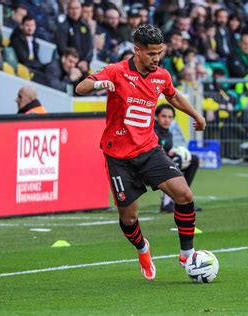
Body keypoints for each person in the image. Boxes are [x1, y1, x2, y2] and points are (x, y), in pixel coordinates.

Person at [75, 25, 206, 281]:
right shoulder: (116, 71)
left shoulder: (161, 75)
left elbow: (173, 96)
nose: (156, 58)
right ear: (137, 51)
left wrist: (196, 115)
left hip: (149, 149)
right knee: (128, 216)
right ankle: (142, 249)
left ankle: (187, 255)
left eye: (160, 53)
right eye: (151, 53)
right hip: (118, 157)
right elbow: (80, 88)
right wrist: (99, 84)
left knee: (184, 194)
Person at [154, 104, 200, 213]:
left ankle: (182, 198)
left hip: (162, 162)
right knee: (175, 160)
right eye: (163, 116)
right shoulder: (152, 130)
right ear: (156, 117)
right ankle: (167, 203)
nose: (167, 120)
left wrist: (171, 152)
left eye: (170, 117)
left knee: (193, 160)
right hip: (150, 165)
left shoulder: (168, 133)